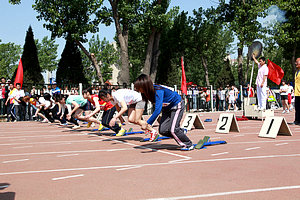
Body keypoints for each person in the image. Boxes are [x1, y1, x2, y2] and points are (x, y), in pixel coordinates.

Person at [134, 74, 194, 151]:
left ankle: (188, 144)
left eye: (139, 88)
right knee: (163, 130)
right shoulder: (145, 93)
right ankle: (181, 132)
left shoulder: (158, 90)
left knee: (173, 130)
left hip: (176, 105)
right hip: (166, 108)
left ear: (145, 86)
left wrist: (148, 123)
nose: (138, 89)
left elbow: (157, 110)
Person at [290, 58, 300, 125]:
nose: (296, 63)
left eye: (297, 62)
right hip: (297, 92)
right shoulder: (297, 72)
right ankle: (297, 120)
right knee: (297, 107)